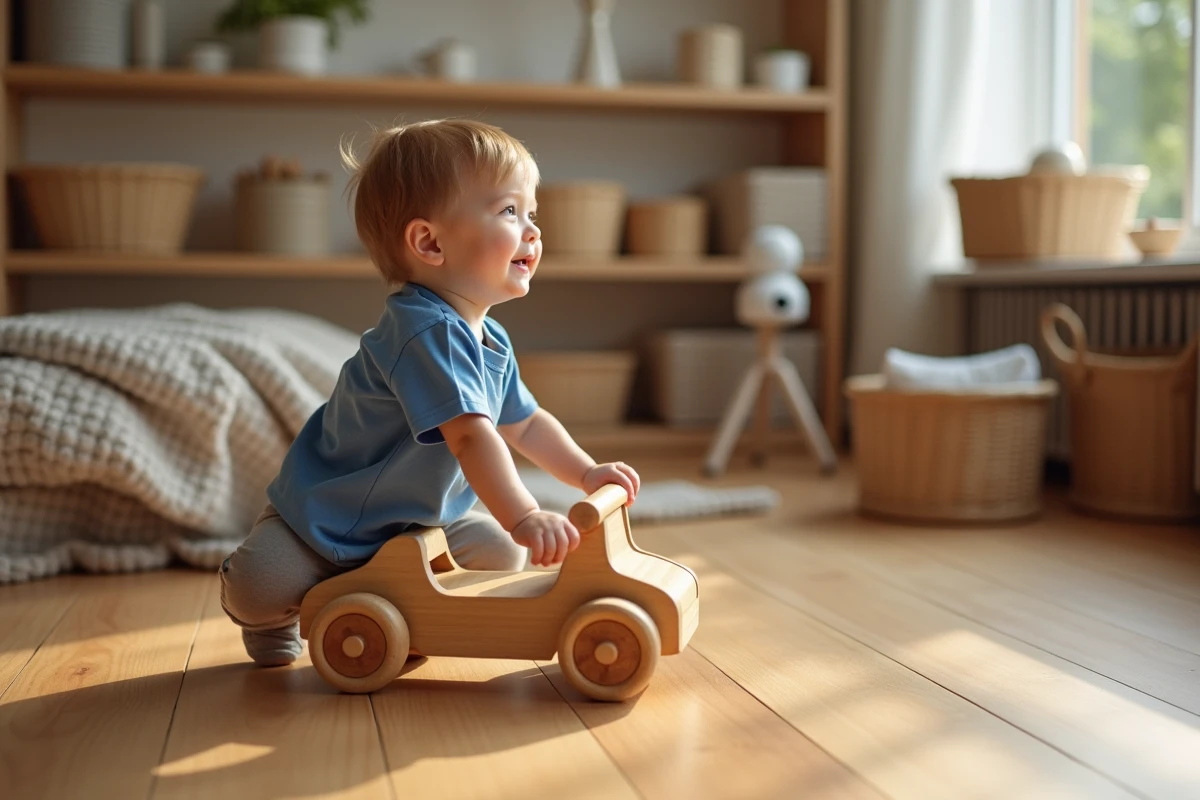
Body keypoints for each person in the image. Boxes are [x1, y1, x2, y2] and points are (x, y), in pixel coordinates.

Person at [219, 119, 640, 666]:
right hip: (328, 518)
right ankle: (274, 615)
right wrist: (525, 513)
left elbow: (527, 422)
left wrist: (586, 474)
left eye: (531, 213)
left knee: (500, 554)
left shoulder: (489, 337)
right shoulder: (422, 330)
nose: (533, 231)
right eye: (510, 212)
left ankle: (406, 612)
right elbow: (471, 438)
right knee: (262, 586)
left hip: (422, 520)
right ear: (430, 242)